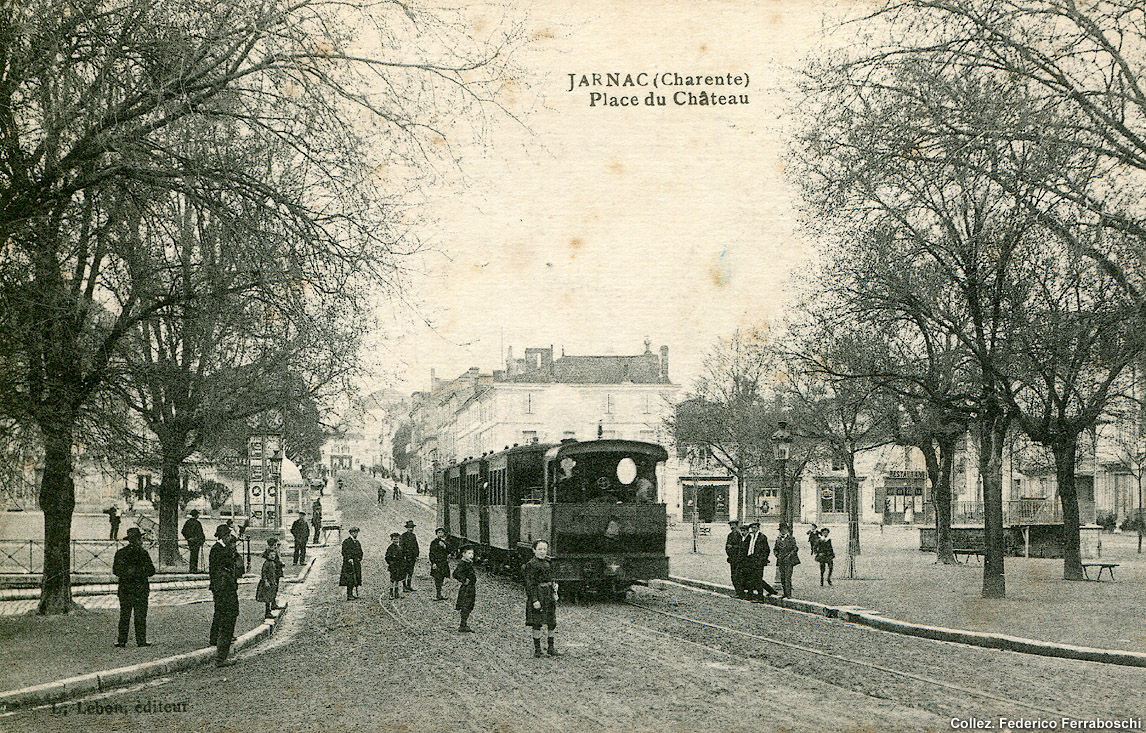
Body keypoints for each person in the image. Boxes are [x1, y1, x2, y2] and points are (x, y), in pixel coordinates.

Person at [112, 527, 155, 647]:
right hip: (140, 589)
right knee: (140, 616)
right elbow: (151, 571)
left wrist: (127, 573)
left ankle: (121, 641)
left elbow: (116, 570)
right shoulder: (143, 553)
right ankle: (141, 641)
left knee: (124, 615)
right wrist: (139, 572)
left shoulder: (120, 553)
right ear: (138, 540)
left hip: (125, 589)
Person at [209, 527, 243, 667]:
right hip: (223, 589)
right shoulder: (217, 550)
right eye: (228, 535)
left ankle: (222, 653)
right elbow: (224, 564)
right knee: (226, 620)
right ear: (222, 536)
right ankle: (221, 658)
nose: (230, 538)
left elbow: (238, 570)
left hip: (227, 588)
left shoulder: (225, 549)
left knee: (228, 617)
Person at [522, 539, 560, 658]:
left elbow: (551, 578)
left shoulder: (548, 562)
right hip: (538, 594)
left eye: (544, 549)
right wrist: (534, 600)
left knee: (551, 621)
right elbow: (529, 584)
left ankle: (551, 648)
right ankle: (538, 650)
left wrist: (554, 588)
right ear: (534, 550)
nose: (543, 551)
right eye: (540, 549)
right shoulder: (531, 565)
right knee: (537, 622)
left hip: (548, 594)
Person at [742, 521, 777, 600]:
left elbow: (766, 550)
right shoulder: (751, 537)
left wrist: (762, 560)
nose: (753, 529)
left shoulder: (762, 537)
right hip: (751, 559)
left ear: (758, 528)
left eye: (755, 528)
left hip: (758, 561)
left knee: (758, 579)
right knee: (751, 578)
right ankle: (750, 595)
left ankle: (760, 597)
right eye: (752, 528)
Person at [255, 537, 284, 619]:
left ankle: (273, 604)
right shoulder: (269, 557)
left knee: (274, 589)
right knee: (269, 594)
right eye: (275, 544)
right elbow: (264, 572)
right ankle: (269, 609)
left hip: (274, 574)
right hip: (271, 576)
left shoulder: (275, 551)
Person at [453, 545, 476, 632]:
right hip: (467, 588)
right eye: (469, 553)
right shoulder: (463, 563)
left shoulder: (468, 562)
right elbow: (455, 574)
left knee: (469, 605)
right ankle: (463, 625)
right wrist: (464, 580)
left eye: (472, 553)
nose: (471, 555)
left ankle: (464, 624)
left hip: (470, 587)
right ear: (463, 554)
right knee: (466, 605)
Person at [775, 523, 801, 599]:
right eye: (781, 530)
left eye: (783, 530)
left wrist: (790, 555)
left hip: (788, 561)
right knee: (782, 577)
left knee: (787, 577)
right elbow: (775, 549)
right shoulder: (778, 539)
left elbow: (795, 548)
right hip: (781, 561)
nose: (782, 532)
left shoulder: (791, 539)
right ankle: (784, 593)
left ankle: (789, 594)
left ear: (787, 530)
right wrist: (777, 555)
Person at [724, 520, 747, 599]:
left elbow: (741, 547)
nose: (732, 527)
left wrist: (732, 547)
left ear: (737, 526)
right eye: (731, 526)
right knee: (733, 576)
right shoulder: (730, 535)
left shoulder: (739, 535)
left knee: (738, 576)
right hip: (732, 558)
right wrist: (729, 552)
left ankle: (740, 593)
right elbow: (726, 546)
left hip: (738, 559)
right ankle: (738, 592)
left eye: (733, 525)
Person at [340, 527, 363, 600]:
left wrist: (359, 558)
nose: (355, 534)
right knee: (350, 579)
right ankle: (349, 594)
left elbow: (360, 551)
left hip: (356, 562)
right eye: (354, 532)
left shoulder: (357, 542)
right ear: (351, 533)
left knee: (355, 578)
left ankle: (352, 594)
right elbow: (344, 552)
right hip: (349, 564)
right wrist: (349, 559)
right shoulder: (347, 542)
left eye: (356, 532)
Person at [428, 527, 451, 601]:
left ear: (444, 533)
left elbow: (450, 550)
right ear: (436, 534)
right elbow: (431, 553)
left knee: (445, 577)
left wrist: (445, 547)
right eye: (439, 532)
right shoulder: (434, 542)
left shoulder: (446, 542)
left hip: (444, 563)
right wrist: (433, 563)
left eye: (441, 532)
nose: (440, 534)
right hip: (437, 563)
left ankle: (442, 593)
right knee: (438, 579)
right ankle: (438, 594)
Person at [399, 520, 419, 592]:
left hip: (412, 557)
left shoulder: (413, 536)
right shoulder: (403, 536)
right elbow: (401, 547)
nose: (411, 529)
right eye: (409, 527)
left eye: (412, 527)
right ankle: (404, 587)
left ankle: (409, 585)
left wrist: (417, 554)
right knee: (404, 572)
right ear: (407, 528)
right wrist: (402, 556)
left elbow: (416, 545)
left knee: (410, 571)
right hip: (405, 557)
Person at [385, 533, 404, 599]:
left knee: (397, 579)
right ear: (392, 540)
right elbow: (387, 557)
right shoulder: (390, 548)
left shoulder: (400, 548)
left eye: (397, 539)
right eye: (394, 539)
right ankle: (391, 593)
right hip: (393, 566)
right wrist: (391, 563)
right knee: (392, 579)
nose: (396, 541)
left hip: (399, 566)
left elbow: (402, 557)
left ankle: (396, 593)